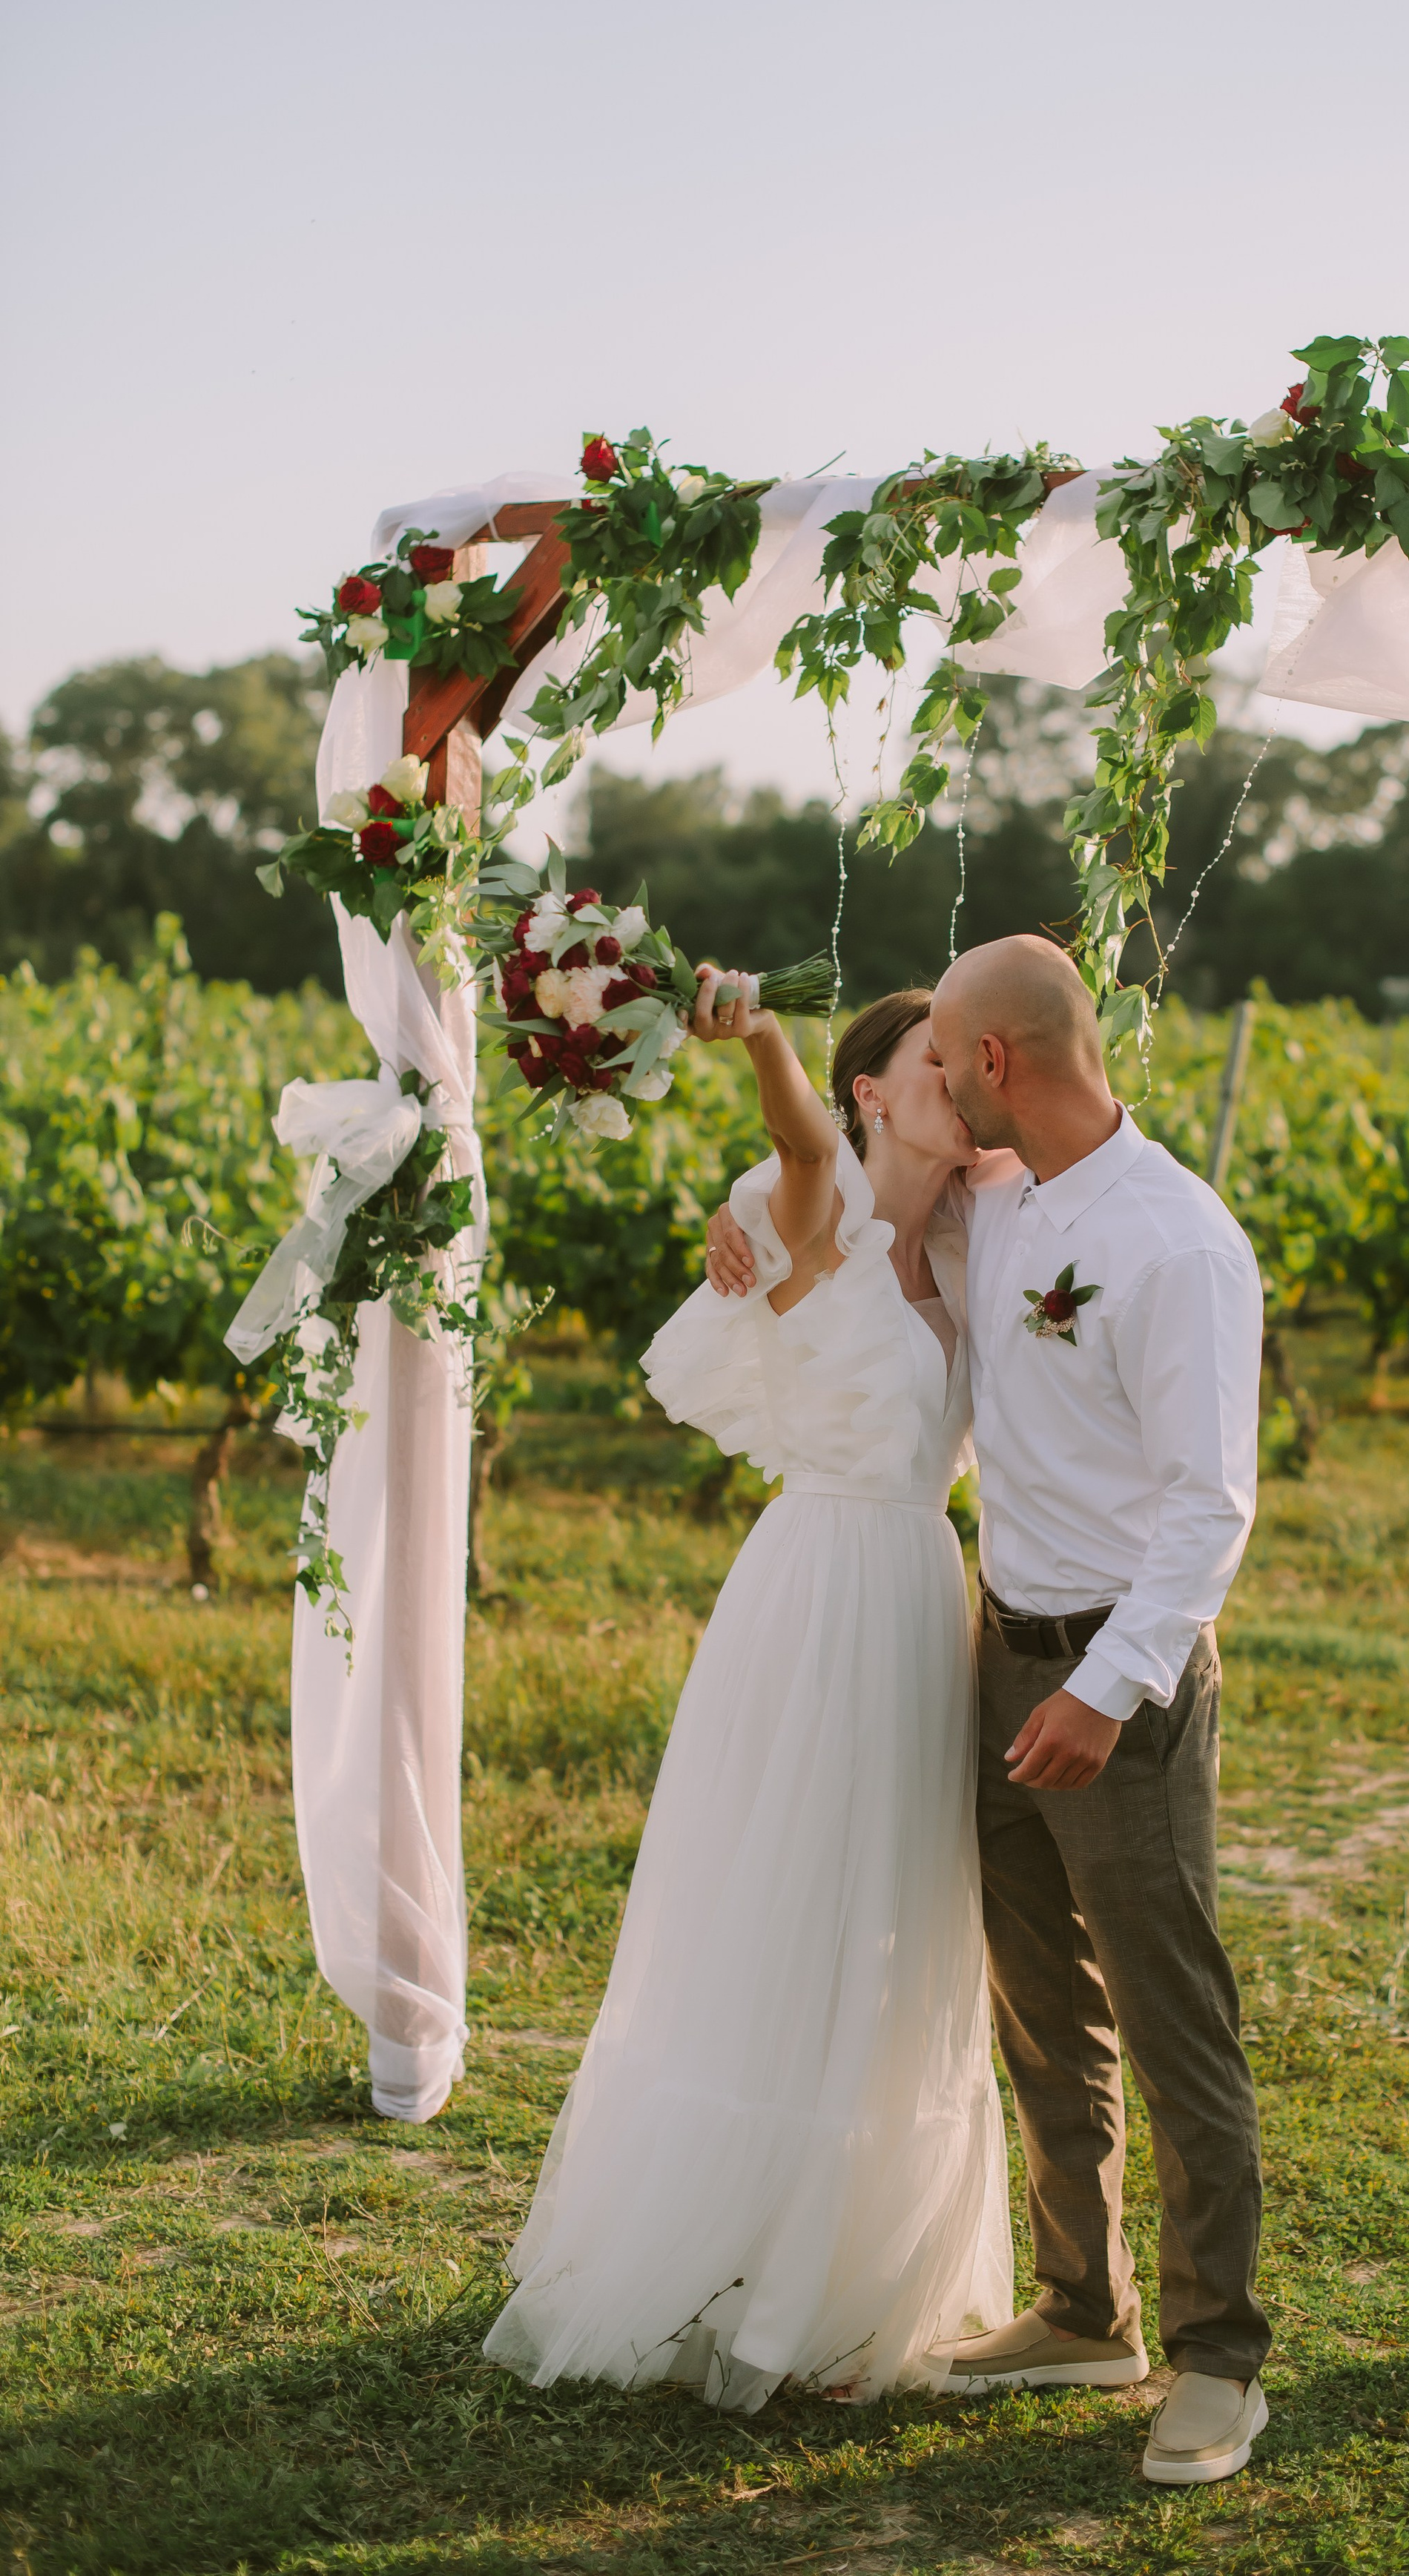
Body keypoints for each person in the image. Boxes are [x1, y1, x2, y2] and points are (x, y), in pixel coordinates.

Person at [705, 935, 1271, 2487]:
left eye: (940, 1055)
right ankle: (1083, 2307)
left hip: (1114, 1683)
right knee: (1038, 2001)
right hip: (993, 1655)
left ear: (998, 1065)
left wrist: (1104, 1689)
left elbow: (1207, 1509)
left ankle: (1221, 2356)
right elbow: (833, 1193)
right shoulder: (992, 1199)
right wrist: (744, 1216)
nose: (923, 1075)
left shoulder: (1176, 1245)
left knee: (1170, 2014)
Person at [484, 978, 1012, 2411]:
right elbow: (787, 1140)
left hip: (923, 1596)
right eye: (930, 1059)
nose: (960, 1076)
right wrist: (770, 1038)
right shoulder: (805, 1210)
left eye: (971, 1059)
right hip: (818, 1589)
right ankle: (743, 2259)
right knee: (787, 1896)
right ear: (871, 1093)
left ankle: (853, 2268)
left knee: (897, 1915)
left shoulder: (977, 1236)